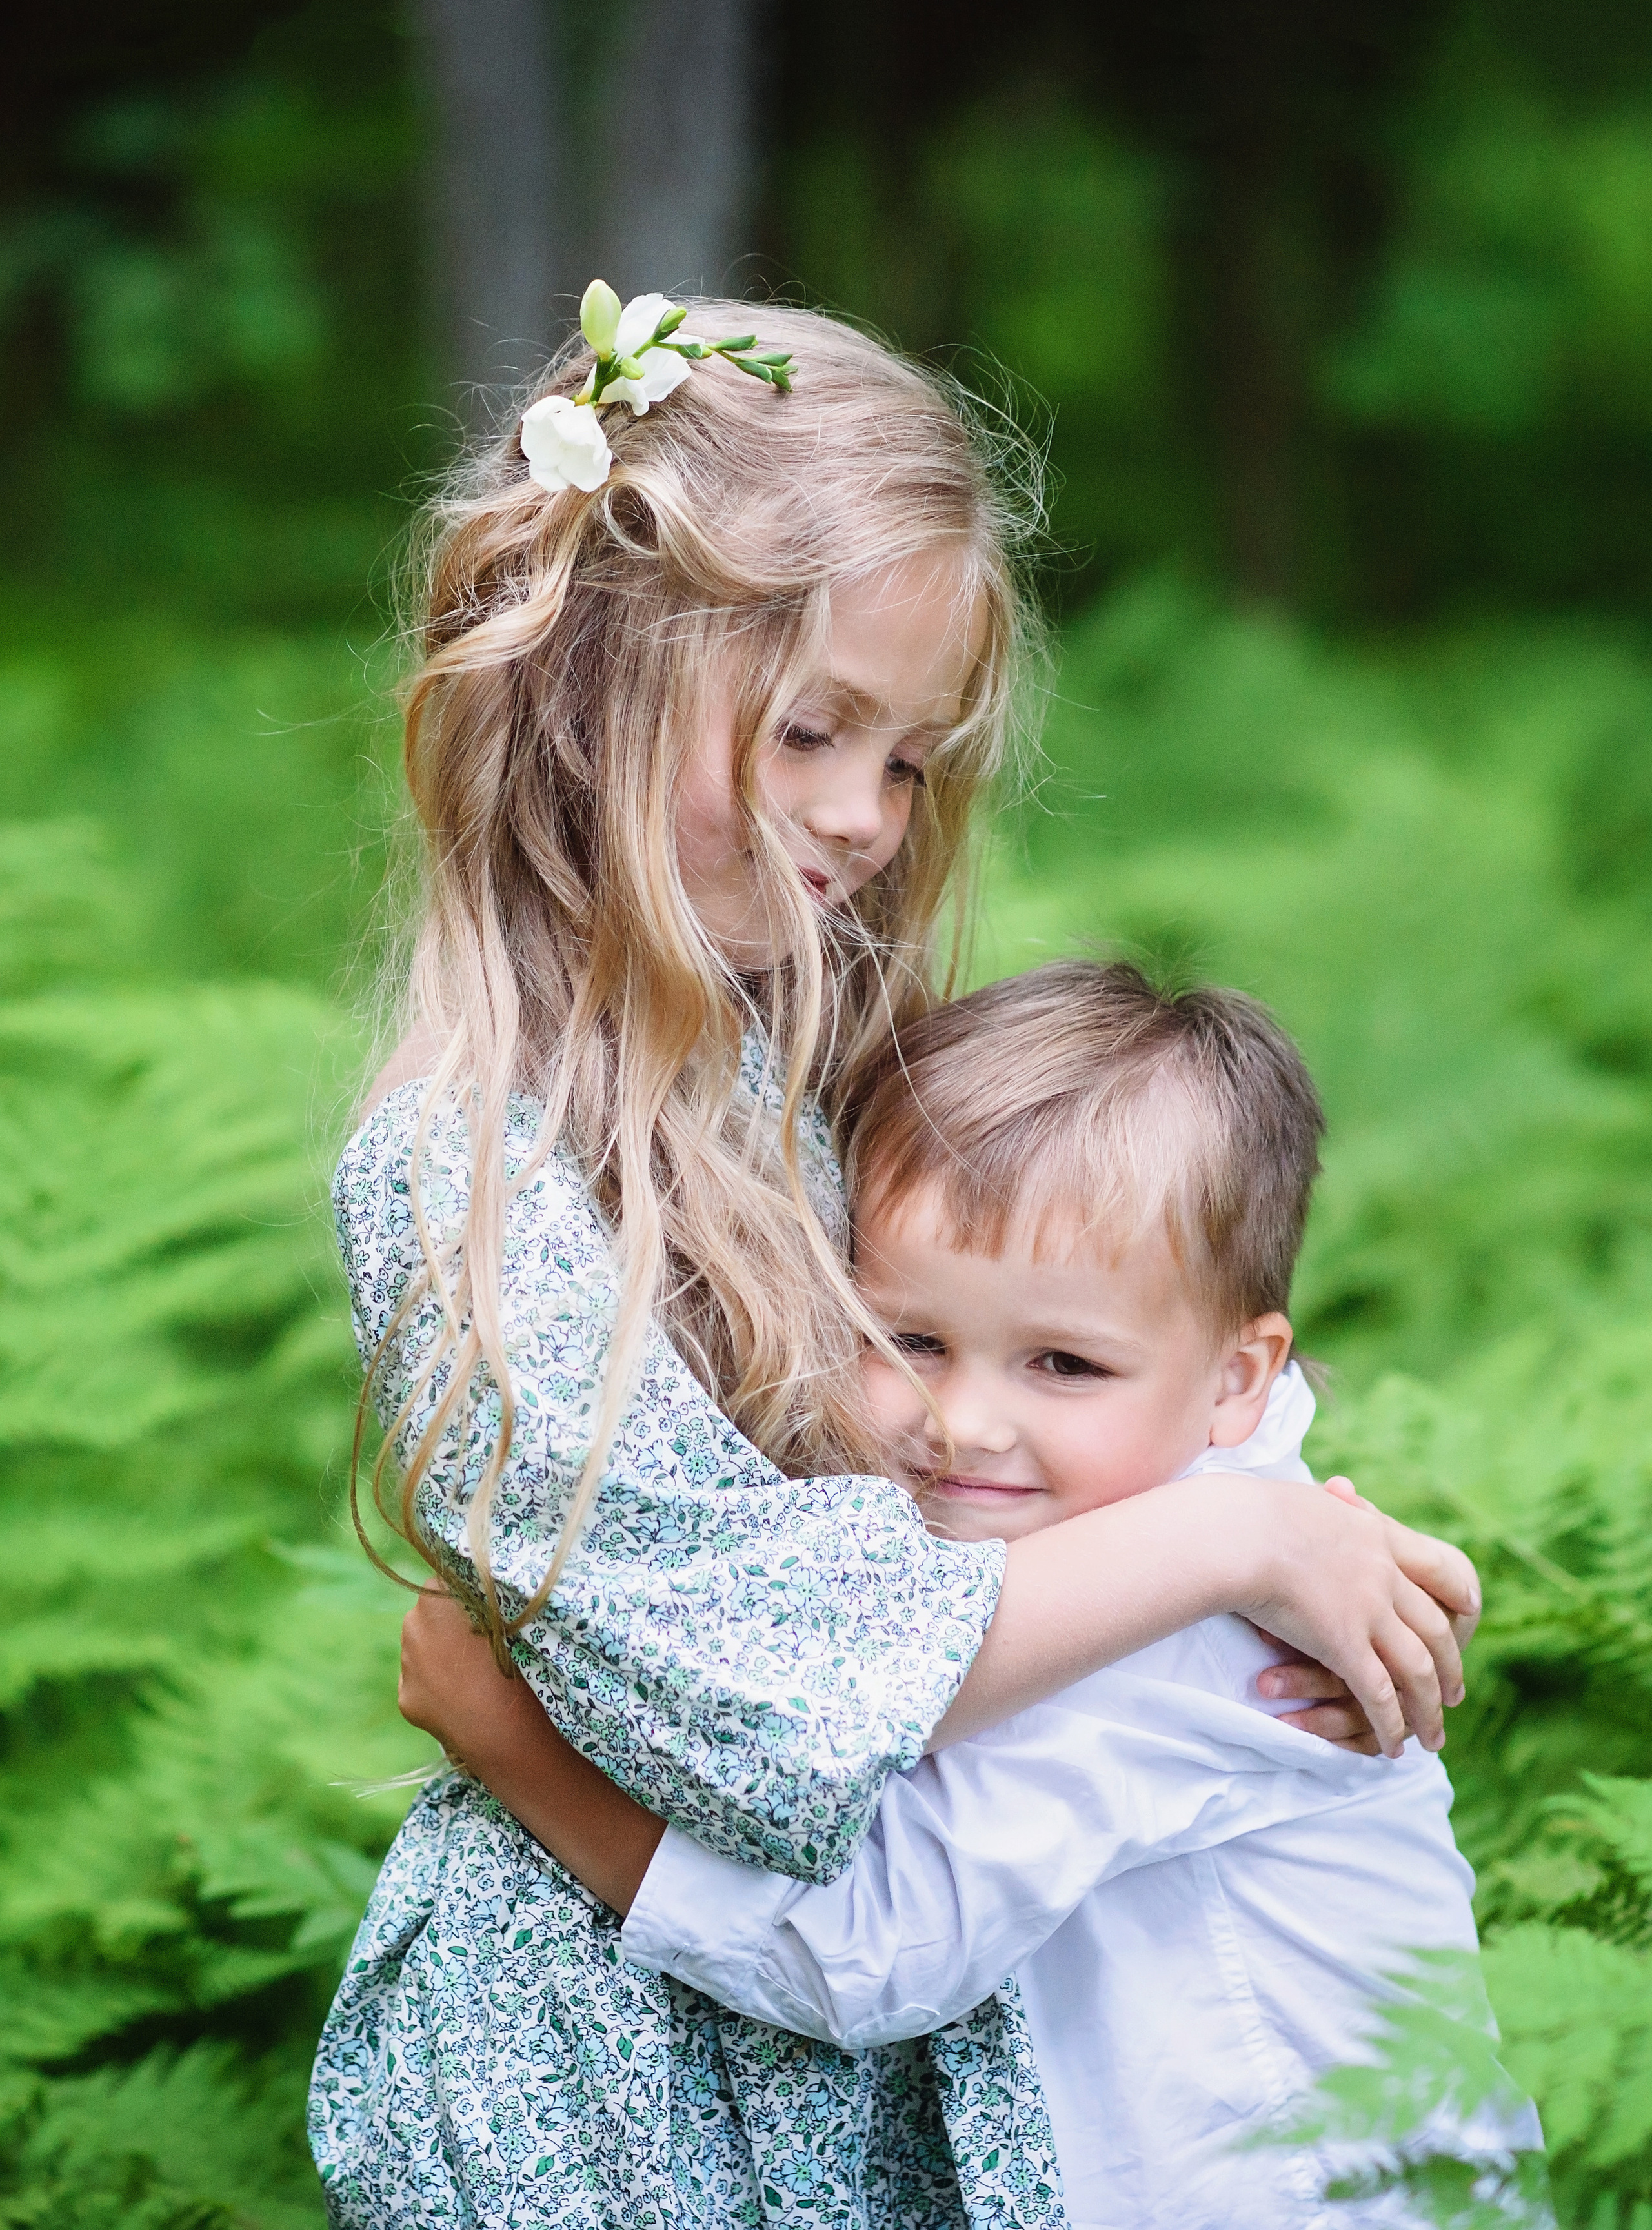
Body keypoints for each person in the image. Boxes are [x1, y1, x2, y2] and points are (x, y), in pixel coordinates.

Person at [312, 284, 1478, 2230]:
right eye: (809, 731)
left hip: (852, 2072)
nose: (864, 816)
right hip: (591, 2089)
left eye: (913, 758)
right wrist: (1235, 1543)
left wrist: (1273, 1516)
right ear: (591, 682)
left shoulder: (809, 1042)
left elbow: (1071, 1388)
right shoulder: (468, 1176)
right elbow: (771, 1677)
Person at [402, 962, 1536, 2227]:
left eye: (1063, 1363)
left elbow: (874, 1953)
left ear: (1235, 1378)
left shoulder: (1198, 1628)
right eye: (908, 1343)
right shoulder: (1181, 1535)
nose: (961, 1423)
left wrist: (517, 1749)